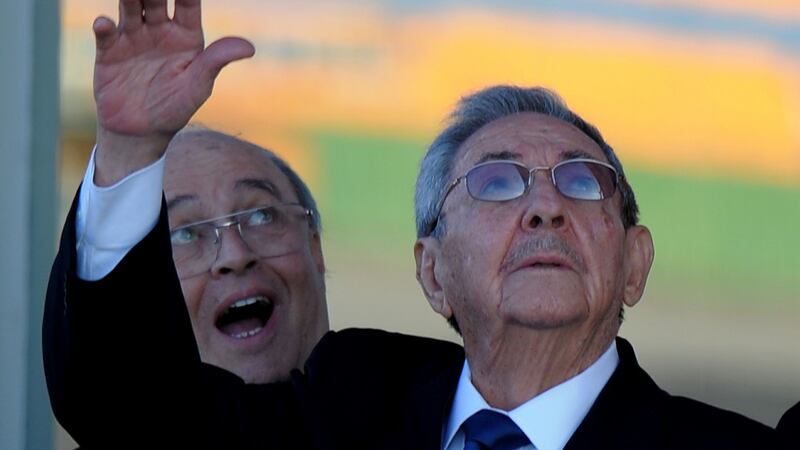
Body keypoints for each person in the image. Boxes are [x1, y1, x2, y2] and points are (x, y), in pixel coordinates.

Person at [44, 0, 775, 448]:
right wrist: (136, 149)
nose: (546, 206)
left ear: (635, 262)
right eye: (496, 182)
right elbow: (130, 414)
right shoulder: (344, 407)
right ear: (433, 271)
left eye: (584, 182)